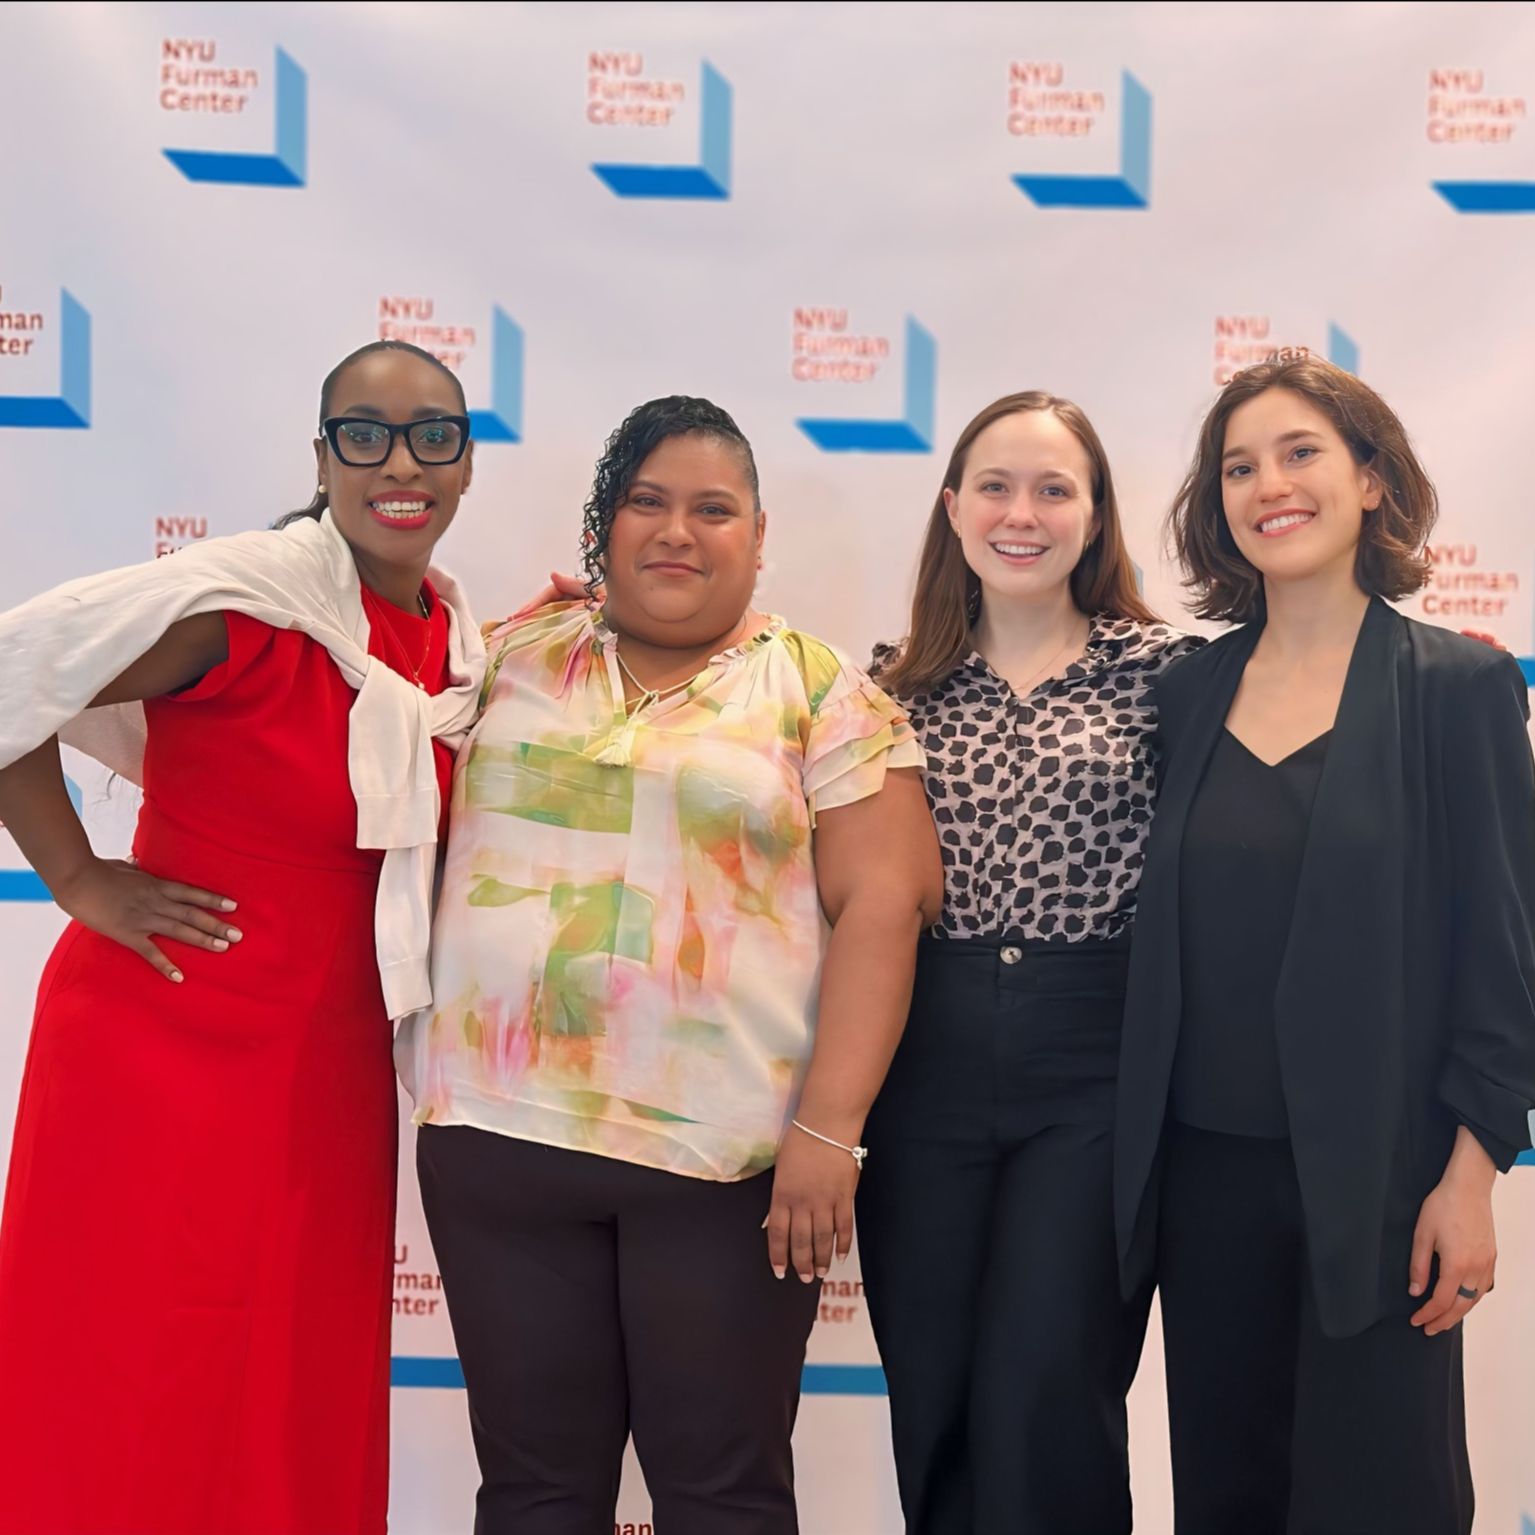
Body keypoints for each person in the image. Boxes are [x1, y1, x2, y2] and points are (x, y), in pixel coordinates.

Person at [398, 395, 942, 1535]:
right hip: (498, 1151)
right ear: (602, 527)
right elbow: (357, 742)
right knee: (534, 1495)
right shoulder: (504, 658)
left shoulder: (815, 685)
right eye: (646, 501)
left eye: (712, 508)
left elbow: (884, 908)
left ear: (757, 532)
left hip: (728, 1170)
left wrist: (827, 1131)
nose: (676, 531)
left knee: (722, 1497)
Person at [0, 340, 485, 1535]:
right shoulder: (243, 608)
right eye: (362, 434)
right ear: (323, 458)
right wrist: (76, 876)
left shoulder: (452, 641)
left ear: (467, 461)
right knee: (129, 1375)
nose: (399, 460)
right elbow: (15, 677)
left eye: (433, 431)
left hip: (322, 1065)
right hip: (156, 1044)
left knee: (285, 1382)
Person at [1114, 354, 1535, 1534]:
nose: (1268, 485)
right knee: (1228, 1496)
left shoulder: (1456, 684)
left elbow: (1501, 960)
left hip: (1383, 1181)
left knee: (1381, 1500)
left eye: (1299, 452)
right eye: (1237, 466)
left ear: (1367, 478)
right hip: (1203, 1185)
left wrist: (1469, 1178)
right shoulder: (1185, 691)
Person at [856, 391, 1201, 1534]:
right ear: (951, 507)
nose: (1022, 512)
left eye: (1054, 488)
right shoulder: (878, 690)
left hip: (1094, 1070)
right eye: (995, 486)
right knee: (936, 1390)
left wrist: (1442, 677)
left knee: (1048, 1391)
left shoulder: (1170, 679)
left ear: (1094, 517)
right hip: (920, 1063)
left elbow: (1314, 703)